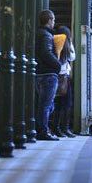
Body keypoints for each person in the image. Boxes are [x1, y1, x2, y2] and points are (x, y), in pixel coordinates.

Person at [35, 10, 61, 141]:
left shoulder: (39, 34)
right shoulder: (46, 35)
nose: (54, 23)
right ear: (49, 20)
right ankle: (43, 131)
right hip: (48, 74)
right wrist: (58, 65)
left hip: (40, 73)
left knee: (45, 105)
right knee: (46, 105)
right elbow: (46, 53)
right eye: (54, 20)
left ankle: (41, 129)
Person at [53, 26, 76, 138]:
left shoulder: (54, 41)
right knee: (67, 104)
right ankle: (64, 128)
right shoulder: (66, 45)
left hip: (56, 76)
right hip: (64, 78)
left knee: (57, 104)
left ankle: (56, 128)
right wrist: (70, 42)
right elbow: (72, 57)